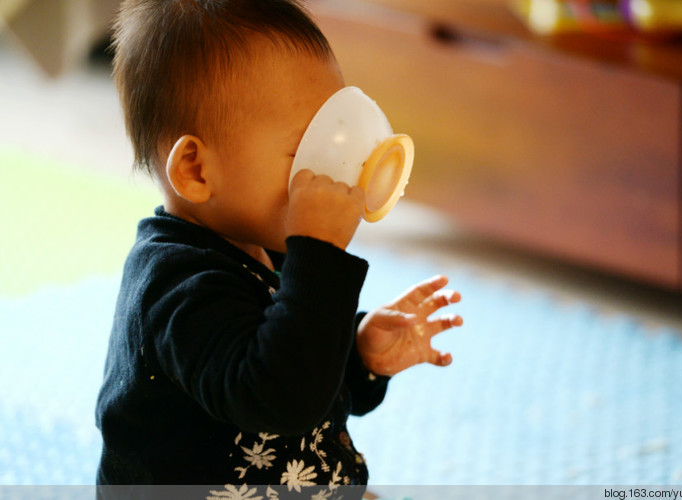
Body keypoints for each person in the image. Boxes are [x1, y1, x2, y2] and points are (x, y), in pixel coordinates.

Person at [95, 0, 463, 498]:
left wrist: (357, 354)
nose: (331, 168)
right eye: (303, 152)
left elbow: (300, 362)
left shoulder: (274, 244)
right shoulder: (176, 288)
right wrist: (322, 254)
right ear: (196, 171)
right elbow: (282, 398)